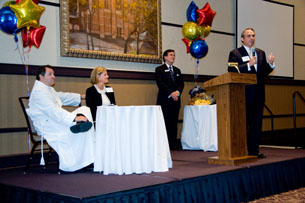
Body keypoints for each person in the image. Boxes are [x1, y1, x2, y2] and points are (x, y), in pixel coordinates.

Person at [27, 65, 95, 172]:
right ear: (41, 76)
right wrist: (74, 118)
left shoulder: (47, 89)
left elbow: (62, 96)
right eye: (50, 74)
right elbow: (53, 111)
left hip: (56, 120)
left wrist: (81, 96)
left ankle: (87, 156)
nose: (53, 76)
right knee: (82, 120)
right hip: (48, 125)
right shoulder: (39, 92)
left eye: (53, 74)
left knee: (85, 109)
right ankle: (82, 159)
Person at [228, 27, 275, 158]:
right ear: (242, 39)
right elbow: (232, 70)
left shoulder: (260, 53)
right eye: (248, 36)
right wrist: (248, 64)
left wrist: (270, 65)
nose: (251, 38)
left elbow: (263, 73)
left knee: (256, 124)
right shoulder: (235, 53)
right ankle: (241, 150)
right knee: (243, 123)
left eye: (253, 36)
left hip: (259, 94)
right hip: (243, 94)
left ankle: (254, 150)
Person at [155, 49, 184, 150]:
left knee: (174, 122)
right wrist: (171, 93)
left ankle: (173, 143)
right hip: (165, 100)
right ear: (165, 57)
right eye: (171, 55)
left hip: (176, 101)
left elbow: (181, 84)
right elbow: (160, 84)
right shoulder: (159, 69)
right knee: (165, 122)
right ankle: (165, 144)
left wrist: (177, 93)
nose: (173, 57)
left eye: (174, 55)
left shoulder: (177, 70)